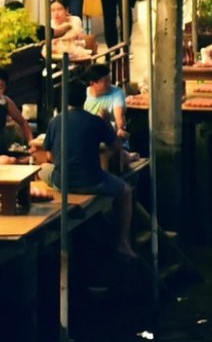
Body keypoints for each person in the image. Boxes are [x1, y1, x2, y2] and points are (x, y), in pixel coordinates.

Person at [39, 76, 136, 260]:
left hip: (62, 181)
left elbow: (50, 157)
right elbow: (117, 146)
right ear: (84, 98)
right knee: (125, 191)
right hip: (92, 181)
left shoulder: (55, 121)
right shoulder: (95, 121)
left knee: (42, 168)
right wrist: (106, 124)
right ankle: (123, 242)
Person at [81, 62, 128, 144]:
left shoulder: (117, 93)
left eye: (109, 80)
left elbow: (119, 118)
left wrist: (120, 127)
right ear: (92, 83)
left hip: (111, 137)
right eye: (105, 81)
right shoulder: (83, 95)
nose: (109, 84)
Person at [0, 68, 34, 155]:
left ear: (5, 88)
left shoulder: (5, 101)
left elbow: (23, 122)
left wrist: (31, 143)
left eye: (1, 87)